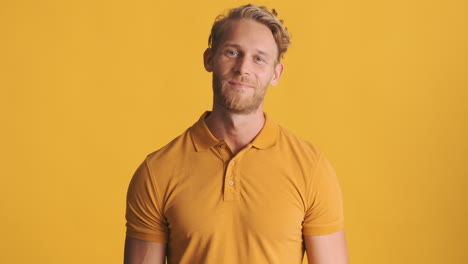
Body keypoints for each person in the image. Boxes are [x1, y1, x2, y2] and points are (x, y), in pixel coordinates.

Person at [124, 4, 349, 264]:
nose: (243, 68)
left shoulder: (311, 168)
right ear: (209, 59)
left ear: (276, 74)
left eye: (259, 58)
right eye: (232, 52)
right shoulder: (157, 171)